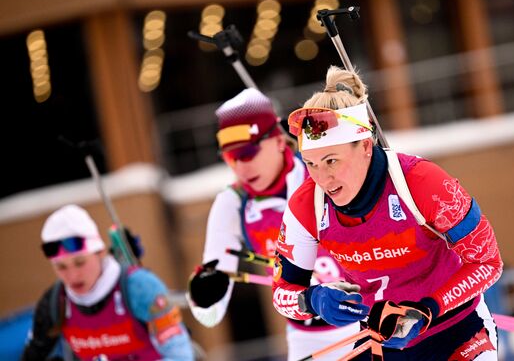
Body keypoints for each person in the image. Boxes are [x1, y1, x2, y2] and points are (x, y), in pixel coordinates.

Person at [271, 66, 503, 360]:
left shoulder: (422, 182)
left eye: (331, 161)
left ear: (366, 146)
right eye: (311, 164)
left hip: (457, 330)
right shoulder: (307, 206)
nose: (322, 178)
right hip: (382, 341)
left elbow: (487, 263)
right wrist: (311, 300)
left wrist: (429, 309)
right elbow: (282, 293)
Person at [187, 88, 360, 360]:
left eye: (248, 152)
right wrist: (204, 294)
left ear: (279, 139)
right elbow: (209, 317)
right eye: (231, 157)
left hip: (370, 319)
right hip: (309, 338)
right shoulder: (233, 204)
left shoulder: (320, 172)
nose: (241, 168)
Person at [21, 204, 194, 361]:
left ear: (100, 252)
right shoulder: (54, 302)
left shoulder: (139, 287)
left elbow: (180, 355)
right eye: (61, 267)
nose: (72, 276)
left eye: (80, 262)